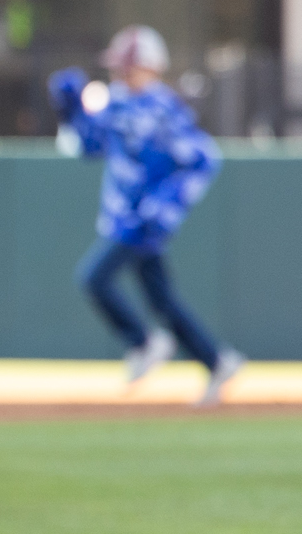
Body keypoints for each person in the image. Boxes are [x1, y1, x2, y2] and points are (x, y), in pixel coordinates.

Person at [49, 25, 245, 407]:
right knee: (162, 300)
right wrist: (69, 110)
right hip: (122, 214)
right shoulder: (115, 104)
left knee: (94, 277)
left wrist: (168, 204)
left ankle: (144, 343)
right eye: (118, 68)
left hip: (144, 221)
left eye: (129, 68)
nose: (122, 75)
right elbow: (86, 148)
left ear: (151, 68)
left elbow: (202, 160)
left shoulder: (164, 110)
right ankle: (217, 360)